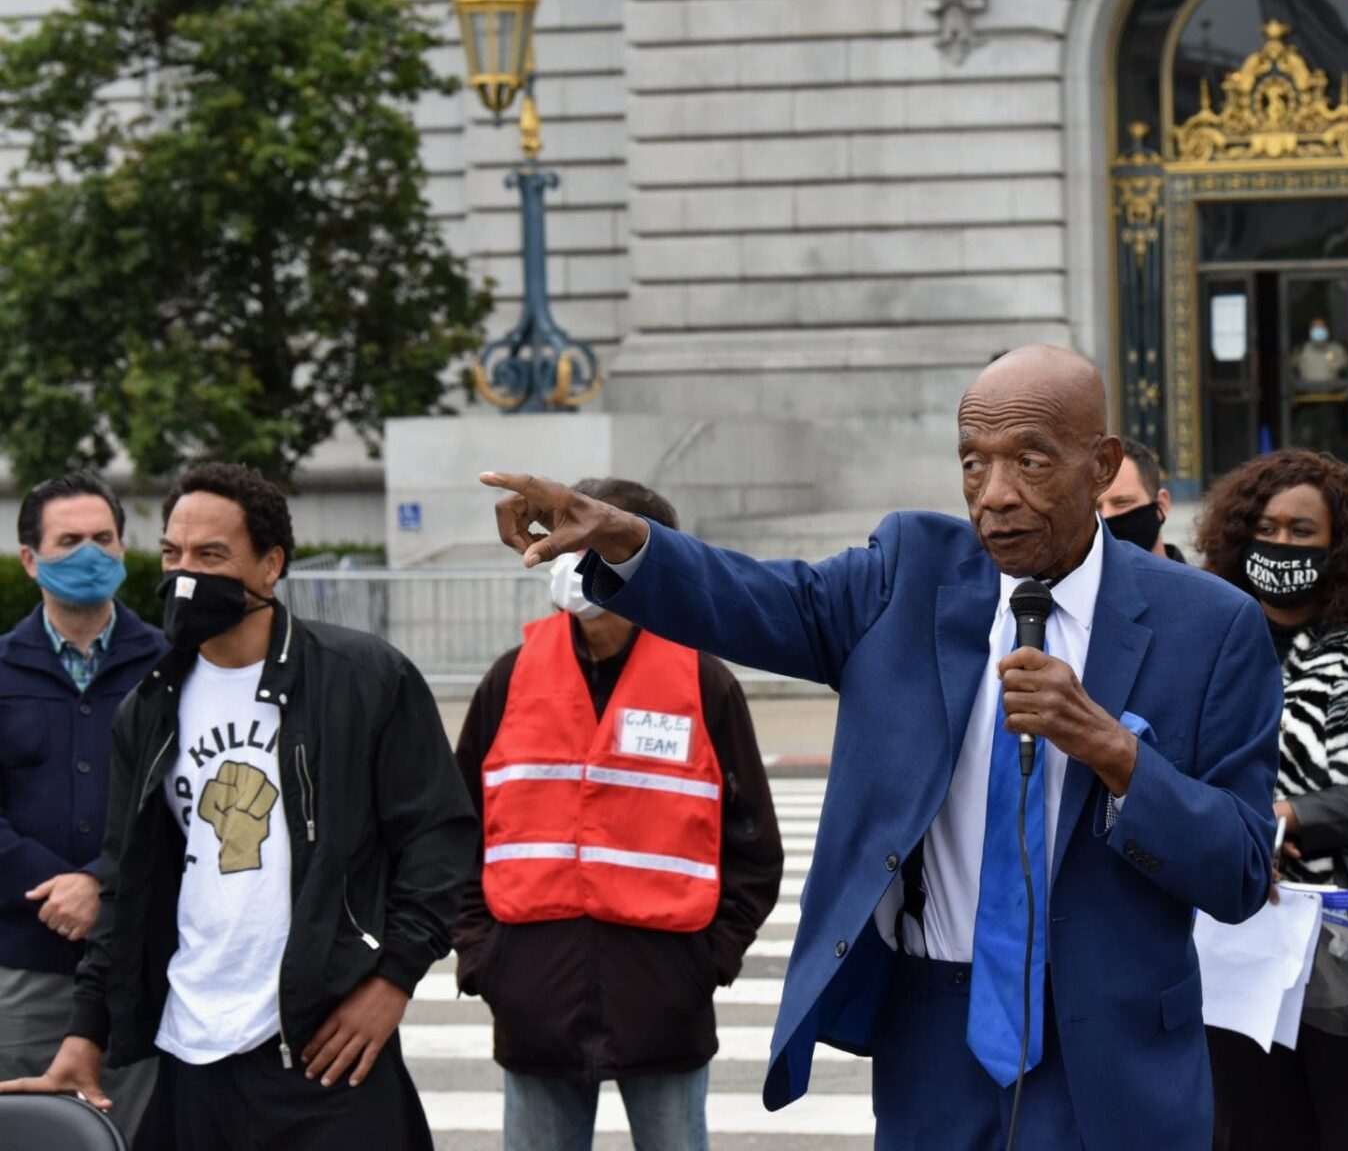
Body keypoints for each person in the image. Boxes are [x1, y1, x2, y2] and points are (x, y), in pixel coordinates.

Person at [481, 345, 1282, 1151]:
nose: (995, 496)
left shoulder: (1211, 629)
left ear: (1101, 463)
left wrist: (1115, 754)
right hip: (933, 1037)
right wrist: (626, 538)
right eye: (974, 463)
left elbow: (1243, 869)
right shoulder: (907, 576)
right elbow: (754, 599)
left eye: (1030, 461)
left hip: (1113, 1050)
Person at [0, 462, 471, 1150]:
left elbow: (440, 840)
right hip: (190, 1054)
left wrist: (393, 978)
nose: (185, 574)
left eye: (211, 555)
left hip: (324, 1047)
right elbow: (128, 880)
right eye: (172, 553)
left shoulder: (364, 678)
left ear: (271, 564)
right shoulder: (152, 704)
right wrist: (87, 1028)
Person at [454, 476, 782, 1151]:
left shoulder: (703, 682)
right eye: (563, 536)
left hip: (663, 1002)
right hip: (534, 1000)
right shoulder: (510, 678)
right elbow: (456, 830)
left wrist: (706, 964)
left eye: (592, 537)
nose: (571, 559)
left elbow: (753, 847)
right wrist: (485, 961)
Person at [1195, 448, 1348, 1150]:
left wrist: (1284, 820)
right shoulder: (1205, 644)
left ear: (1336, 546)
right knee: (1248, 1126)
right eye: (1267, 526)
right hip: (1229, 941)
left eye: (1301, 531)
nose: (1280, 543)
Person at [0, 472, 164, 1141]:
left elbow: (182, 805)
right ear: (30, 559)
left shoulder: (168, 665)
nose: (90, 555)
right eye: (70, 542)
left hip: (138, 963)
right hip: (24, 965)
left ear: (125, 550)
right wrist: (54, 888)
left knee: (134, 1133)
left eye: (104, 539)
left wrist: (101, 881)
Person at [1097, 437, 1186, 561]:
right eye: (1095, 508)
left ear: (1162, 505)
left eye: (1122, 503)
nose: (1106, 516)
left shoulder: (1199, 580)